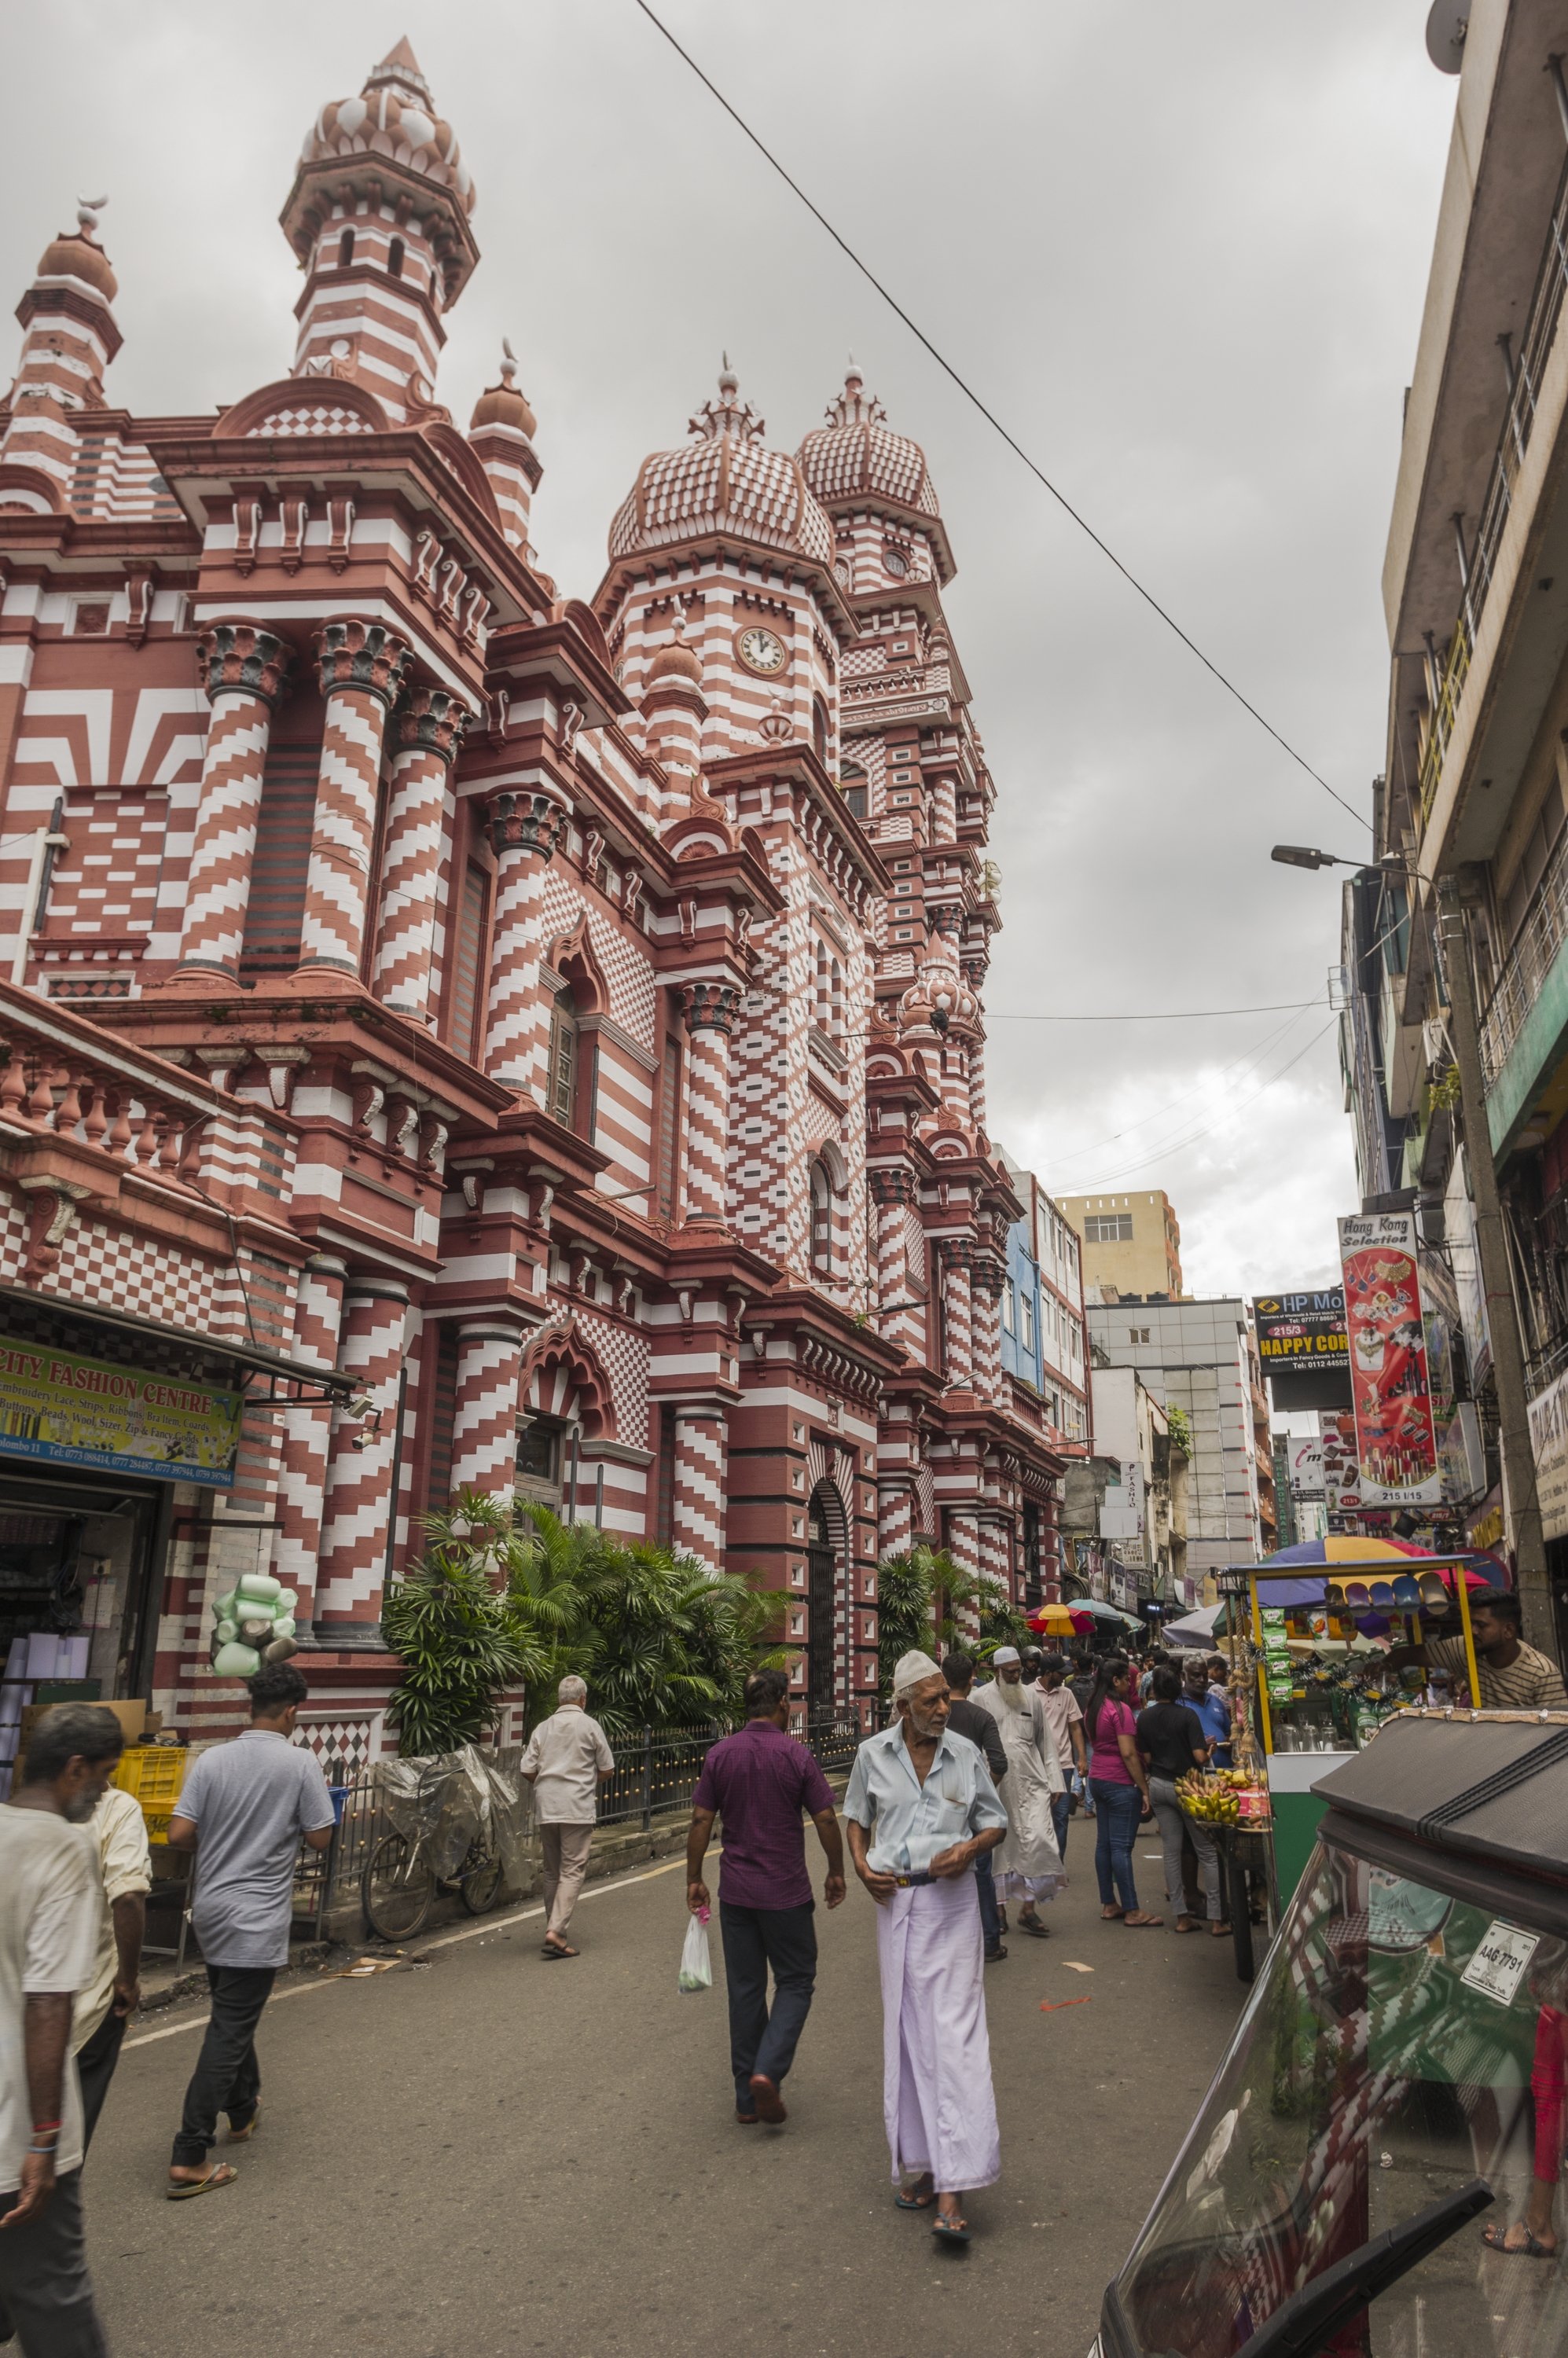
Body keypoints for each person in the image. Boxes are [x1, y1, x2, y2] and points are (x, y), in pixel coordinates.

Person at [843, 1650, 1007, 2245]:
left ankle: (952, 2187)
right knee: (909, 2037)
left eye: (944, 1697)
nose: (944, 1708)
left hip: (952, 1906)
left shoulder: (964, 1756)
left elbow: (995, 1822)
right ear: (902, 1706)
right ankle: (928, 2162)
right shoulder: (871, 1755)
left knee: (955, 2036)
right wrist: (860, 1867)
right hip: (895, 1907)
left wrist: (968, 1851)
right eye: (932, 1700)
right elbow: (855, 1816)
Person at [165, 1662, 336, 2198]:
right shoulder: (299, 1763)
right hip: (256, 1917)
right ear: (291, 1712)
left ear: (250, 1707)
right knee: (231, 2027)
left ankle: (243, 2110)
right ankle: (190, 2152)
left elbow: (179, 1834)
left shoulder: (213, 1760)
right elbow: (320, 1840)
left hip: (212, 1911)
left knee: (232, 2014)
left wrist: (221, 1844)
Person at [1, 1703, 124, 2356]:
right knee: (55, 2294)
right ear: (74, 1769)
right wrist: (44, 2139)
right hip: (17, 2121)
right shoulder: (66, 1847)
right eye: (103, 1777)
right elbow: (47, 2002)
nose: (103, 1793)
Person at [685, 1669, 844, 2125]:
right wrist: (836, 1872)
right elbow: (827, 1819)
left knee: (746, 1990)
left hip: (737, 1893)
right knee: (795, 1981)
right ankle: (768, 2072)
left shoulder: (719, 1755)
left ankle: (746, 2098)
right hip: (787, 1893)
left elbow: (700, 1821)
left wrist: (694, 1877)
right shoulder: (797, 1755)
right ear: (783, 1706)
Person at [72, 1768, 151, 2150]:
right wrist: (128, 1979)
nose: (108, 1784)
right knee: (64, 2147)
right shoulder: (117, 1809)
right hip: (89, 2006)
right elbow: (129, 1897)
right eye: (104, 1771)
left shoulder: (15, 1819)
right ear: (76, 1766)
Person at [519, 1673, 616, 1959]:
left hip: (547, 1806)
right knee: (573, 1869)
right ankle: (556, 1931)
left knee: (552, 1871)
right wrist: (586, 1781)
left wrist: (547, 1783)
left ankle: (554, 1927)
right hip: (576, 1806)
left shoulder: (543, 1728)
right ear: (583, 1699)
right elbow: (607, 1768)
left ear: (560, 1699)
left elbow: (527, 1769)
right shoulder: (590, 1726)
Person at [971, 1647, 1065, 1940]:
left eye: (1018, 1671)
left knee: (1038, 1840)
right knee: (999, 1849)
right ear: (997, 1671)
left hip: (1032, 1781)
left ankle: (1028, 1908)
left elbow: (1046, 1742)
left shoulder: (1031, 1697)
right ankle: (998, 1911)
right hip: (995, 1784)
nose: (1015, 1676)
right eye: (1010, 1671)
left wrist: (1055, 1781)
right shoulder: (980, 1698)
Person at [1137, 1666, 1228, 1937]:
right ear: (1178, 1687)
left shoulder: (1144, 1717)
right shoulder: (1187, 1716)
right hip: (1188, 1787)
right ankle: (1217, 1920)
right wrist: (1211, 1748)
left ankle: (1181, 1918)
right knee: (1208, 1853)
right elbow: (1201, 1758)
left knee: (1171, 1852)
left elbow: (1148, 1758)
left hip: (1159, 1786)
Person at [941, 1652, 1010, 1963]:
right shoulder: (981, 1718)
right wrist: (982, 1791)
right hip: (971, 1808)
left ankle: (946, 1943)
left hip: (936, 1805)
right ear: (971, 1678)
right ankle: (990, 1941)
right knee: (980, 1873)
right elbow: (999, 1763)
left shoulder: (929, 1715)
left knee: (938, 1872)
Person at [1391, 1590, 1568, 1710]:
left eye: (1481, 1625)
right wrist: (1380, 1668)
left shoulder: (1541, 1675)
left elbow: (1558, 1736)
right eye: (1471, 1623)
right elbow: (1407, 1655)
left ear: (1508, 1631)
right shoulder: (1467, 1649)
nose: (1473, 1631)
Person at [1085, 1656, 1161, 1927]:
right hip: (1119, 1781)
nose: (1130, 1684)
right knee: (1120, 1847)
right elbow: (1129, 1753)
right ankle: (1132, 1910)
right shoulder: (1120, 1710)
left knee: (1104, 1845)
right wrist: (1143, 1789)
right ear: (1115, 1681)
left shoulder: (1093, 1707)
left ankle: (1109, 1903)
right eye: (1127, 1679)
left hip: (1098, 1779)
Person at [1036, 1654, 1089, 1862]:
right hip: (1037, 1765)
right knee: (1038, 1816)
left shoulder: (1067, 1694)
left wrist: (1082, 1758)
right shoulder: (1028, 1693)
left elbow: (1075, 1727)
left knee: (1061, 1816)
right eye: (1061, 1673)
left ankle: (1057, 1863)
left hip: (1064, 1765)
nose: (1065, 1677)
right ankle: (1040, 1861)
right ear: (1049, 1674)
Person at [1182, 1652, 1233, 1768]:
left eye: (1205, 1675)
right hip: (1196, 1775)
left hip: (1224, 1772)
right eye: (1196, 1675)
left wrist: (1230, 1741)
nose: (1202, 1680)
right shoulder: (1178, 1703)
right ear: (1183, 1676)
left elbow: (1228, 1733)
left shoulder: (1216, 1701)